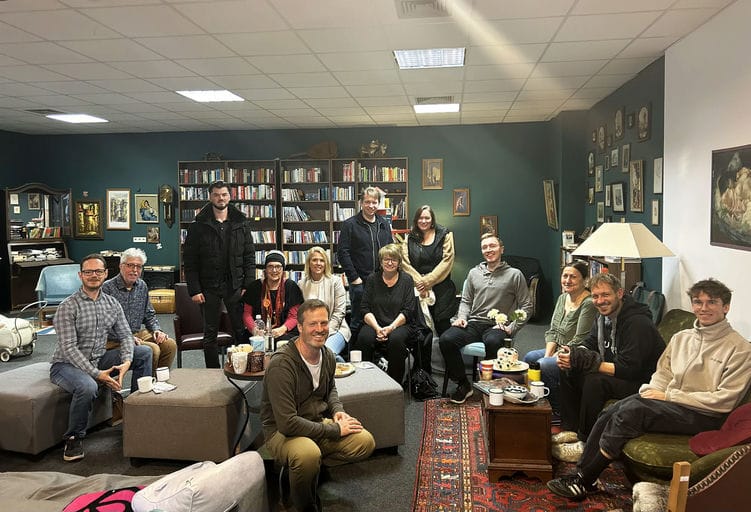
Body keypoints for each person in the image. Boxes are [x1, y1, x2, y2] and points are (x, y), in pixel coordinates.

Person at [547, 278, 751, 501]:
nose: (703, 308)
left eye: (711, 302)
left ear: (726, 307)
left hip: (705, 414)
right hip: (671, 402)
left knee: (631, 412)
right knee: (611, 411)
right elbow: (663, 373)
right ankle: (582, 473)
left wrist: (667, 395)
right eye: (697, 302)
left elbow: (724, 401)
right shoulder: (682, 338)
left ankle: (584, 480)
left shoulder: (740, 349)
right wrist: (652, 391)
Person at [261, 299, 376, 512]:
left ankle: (303, 471)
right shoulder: (282, 365)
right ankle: (303, 504)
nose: (320, 329)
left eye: (324, 323)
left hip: (315, 422)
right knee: (307, 454)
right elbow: (287, 423)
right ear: (300, 327)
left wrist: (338, 411)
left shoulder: (327, 355)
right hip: (281, 433)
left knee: (364, 442)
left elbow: (330, 389)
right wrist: (334, 430)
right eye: (313, 324)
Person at [50, 254, 153, 462]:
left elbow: (126, 336)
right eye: (88, 272)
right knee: (88, 386)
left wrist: (126, 362)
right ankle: (74, 438)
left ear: (105, 274)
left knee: (144, 352)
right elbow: (68, 348)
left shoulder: (112, 304)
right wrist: (98, 374)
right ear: (80, 275)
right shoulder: (68, 306)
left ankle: (135, 414)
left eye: (98, 271)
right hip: (66, 364)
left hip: (98, 358)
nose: (93, 275)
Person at [553, 273, 664, 462]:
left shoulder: (638, 323)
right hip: (623, 372)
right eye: (595, 296)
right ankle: (571, 429)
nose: (600, 301)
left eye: (605, 295)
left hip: (645, 383)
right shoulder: (602, 317)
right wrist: (572, 355)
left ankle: (586, 443)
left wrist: (591, 364)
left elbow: (630, 369)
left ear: (619, 293)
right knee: (569, 368)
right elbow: (590, 342)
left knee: (595, 381)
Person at [439, 233, 533, 404]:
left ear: (501, 249)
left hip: (498, 326)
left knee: (493, 342)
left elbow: (527, 306)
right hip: (474, 323)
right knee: (446, 339)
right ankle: (463, 384)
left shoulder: (514, 274)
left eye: (492, 246)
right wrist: (462, 317)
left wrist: (511, 326)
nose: (488, 250)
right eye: (485, 247)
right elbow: (466, 301)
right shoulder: (474, 273)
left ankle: (490, 386)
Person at [183, 180, 255, 367]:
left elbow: (249, 256)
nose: (220, 198)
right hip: (208, 287)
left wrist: (248, 285)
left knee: (240, 330)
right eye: (216, 194)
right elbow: (190, 261)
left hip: (235, 285)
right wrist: (194, 289)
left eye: (224, 194)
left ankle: (242, 368)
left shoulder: (242, 223)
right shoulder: (197, 225)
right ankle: (212, 373)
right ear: (210, 197)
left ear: (230, 196)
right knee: (210, 334)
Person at [523, 261, 596, 418]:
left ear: (585, 280)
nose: (567, 280)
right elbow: (553, 331)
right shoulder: (563, 298)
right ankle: (538, 401)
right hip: (558, 349)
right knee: (530, 358)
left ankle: (557, 411)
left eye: (573, 277)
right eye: (565, 276)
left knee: (544, 365)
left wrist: (554, 357)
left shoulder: (589, 304)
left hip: (575, 353)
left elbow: (580, 338)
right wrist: (548, 355)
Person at [101, 247, 177, 376]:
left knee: (169, 345)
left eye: (138, 266)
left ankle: (157, 382)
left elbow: (149, 314)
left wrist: (157, 330)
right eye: (130, 265)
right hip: (113, 339)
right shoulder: (107, 288)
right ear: (121, 266)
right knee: (152, 349)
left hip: (137, 334)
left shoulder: (142, 286)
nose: (135, 270)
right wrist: (126, 338)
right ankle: (142, 386)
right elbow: (104, 324)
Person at [353, 243, 417, 385]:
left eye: (394, 259)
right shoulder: (372, 279)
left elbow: (408, 310)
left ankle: (394, 385)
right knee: (364, 338)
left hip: (400, 325)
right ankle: (366, 382)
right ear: (381, 262)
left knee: (396, 340)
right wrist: (377, 328)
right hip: (375, 323)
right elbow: (364, 308)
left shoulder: (407, 280)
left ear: (399, 262)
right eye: (386, 259)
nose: (390, 263)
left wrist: (391, 328)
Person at [336, 186, 393, 337]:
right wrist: (354, 278)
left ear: (378, 203)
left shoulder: (383, 224)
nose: (371, 205)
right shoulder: (350, 224)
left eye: (374, 202)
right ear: (361, 203)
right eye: (367, 202)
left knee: (381, 320)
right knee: (358, 322)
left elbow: (391, 250)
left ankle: (378, 350)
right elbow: (342, 253)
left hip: (381, 282)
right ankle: (355, 351)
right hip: (360, 283)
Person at [400, 205, 457, 337]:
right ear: (416, 220)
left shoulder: (445, 234)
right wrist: (420, 282)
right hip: (418, 289)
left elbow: (448, 260)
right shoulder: (410, 237)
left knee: (444, 331)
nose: (423, 221)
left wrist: (428, 281)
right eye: (420, 218)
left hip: (442, 290)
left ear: (432, 220)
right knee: (422, 332)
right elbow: (405, 263)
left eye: (427, 218)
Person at [298, 246, 350, 360]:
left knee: (324, 352)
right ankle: (337, 362)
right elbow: (301, 314)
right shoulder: (301, 284)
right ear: (309, 263)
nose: (318, 263)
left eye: (322, 260)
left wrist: (324, 331)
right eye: (314, 260)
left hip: (336, 330)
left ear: (326, 263)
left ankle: (341, 365)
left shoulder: (335, 282)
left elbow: (339, 312)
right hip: (311, 332)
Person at [243, 251, 304, 347]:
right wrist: (254, 329)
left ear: (283, 270)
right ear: (265, 270)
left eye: (278, 267)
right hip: (259, 332)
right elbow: (247, 313)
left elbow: (294, 316)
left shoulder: (291, 286)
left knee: (283, 343)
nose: (274, 270)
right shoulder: (255, 286)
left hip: (285, 331)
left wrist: (282, 329)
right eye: (270, 266)